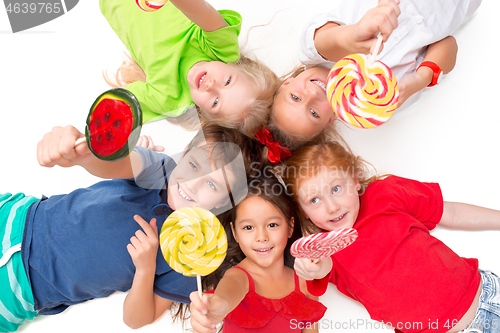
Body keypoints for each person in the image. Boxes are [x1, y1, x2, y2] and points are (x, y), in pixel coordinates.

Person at [0, 123, 251, 332]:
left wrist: (146, 267)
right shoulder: (160, 169)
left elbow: (136, 319)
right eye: (194, 165)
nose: (192, 184)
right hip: (16, 215)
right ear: (184, 152)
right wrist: (84, 155)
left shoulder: (192, 255)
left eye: (212, 185)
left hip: (24, 288)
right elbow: (114, 163)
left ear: (223, 202)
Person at [282, 140, 500, 333]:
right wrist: (312, 265)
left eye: (336, 188)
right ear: (304, 213)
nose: (331, 206)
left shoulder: (384, 194)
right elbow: (322, 267)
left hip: (486, 300)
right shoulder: (328, 254)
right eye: (314, 200)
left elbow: (450, 212)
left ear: (355, 181)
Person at [269, 0, 481, 150]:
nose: (312, 95)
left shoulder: (312, 49)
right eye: (314, 113)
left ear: (286, 83)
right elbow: (448, 44)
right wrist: (418, 80)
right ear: (330, 121)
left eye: (295, 97)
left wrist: (353, 35)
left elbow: (330, 39)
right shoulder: (378, 102)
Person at [101, 0, 281, 136]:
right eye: (228, 81)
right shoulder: (221, 51)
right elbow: (201, 11)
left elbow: (120, 108)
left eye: (215, 102)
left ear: (204, 112)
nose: (211, 85)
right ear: (236, 66)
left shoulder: (168, 99)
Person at [189, 175, 326, 333]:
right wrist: (216, 306)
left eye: (272, 225)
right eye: (248, 227)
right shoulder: (238, 277)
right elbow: (228, 293)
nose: (262, 237)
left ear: (290, 226)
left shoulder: (305, 284)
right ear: (235, 233)